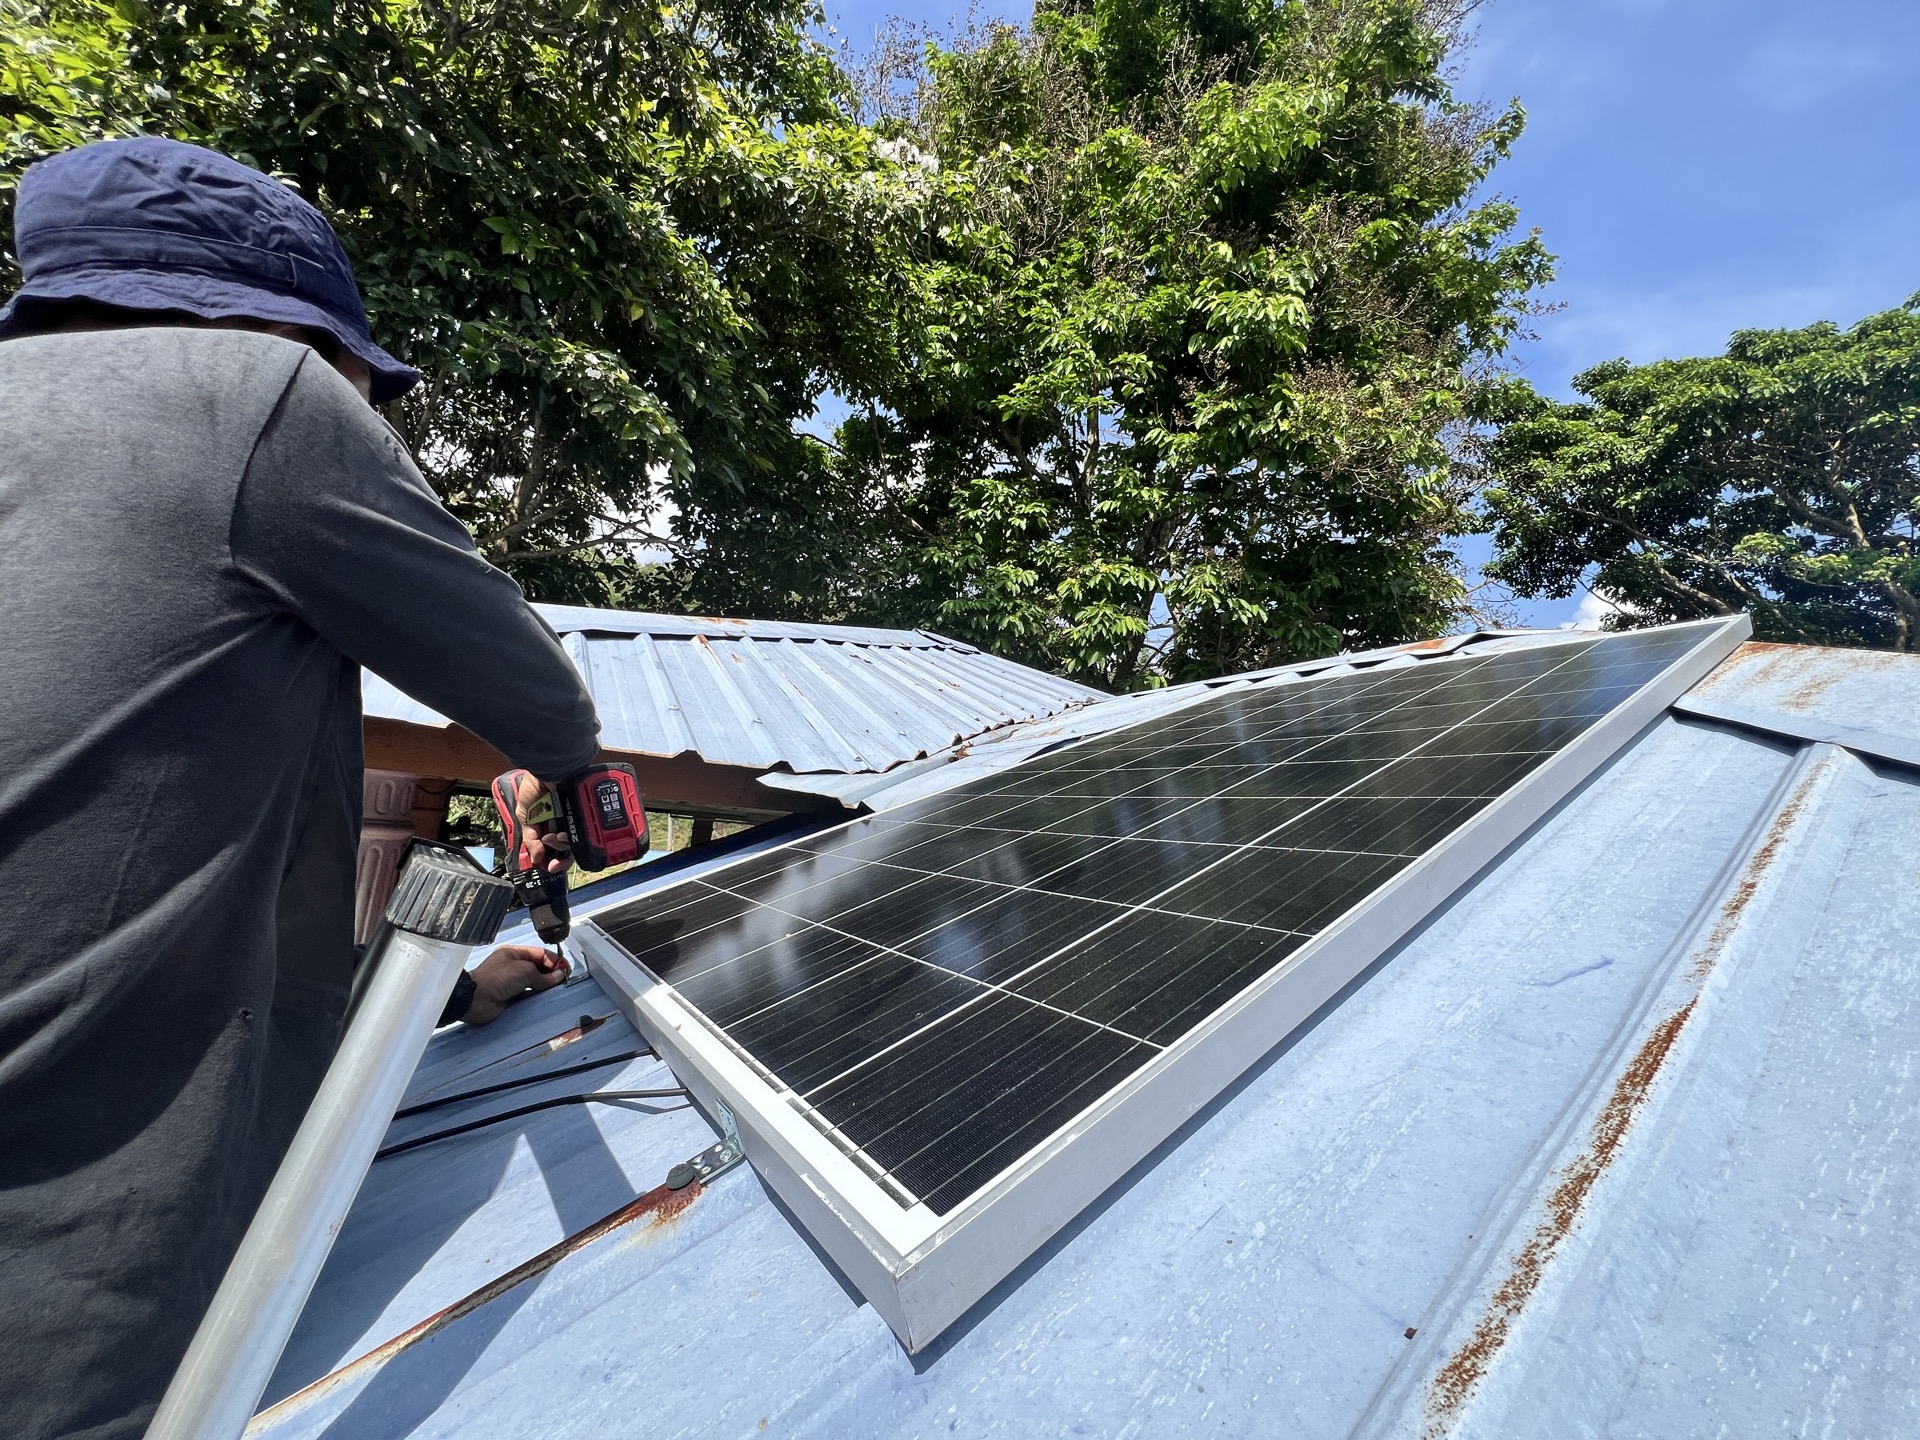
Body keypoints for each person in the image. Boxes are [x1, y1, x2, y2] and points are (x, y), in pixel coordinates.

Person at [0, 136, 604, 1439]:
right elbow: (538, 696)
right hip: (55, 1256)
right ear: (276, 321)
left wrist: (436, 991)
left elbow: (106, 861)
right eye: (352, 365)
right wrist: (578, 777)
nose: (357, 395)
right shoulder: (254, 396)